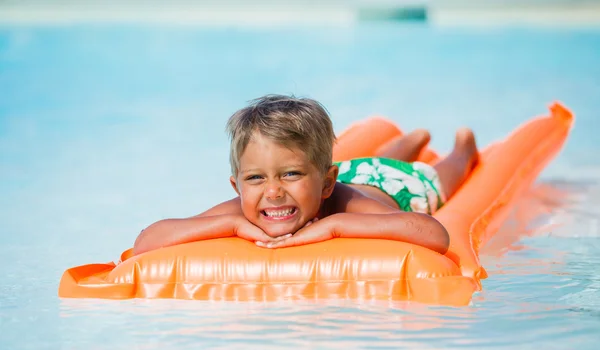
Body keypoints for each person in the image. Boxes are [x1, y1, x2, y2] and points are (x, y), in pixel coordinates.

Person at [133, 95, 479, 256]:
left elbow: (433, 233)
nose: (273, 192)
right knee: (376, 161)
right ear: (236, 185)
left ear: (326, 183)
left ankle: (464, 147)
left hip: (396, 188)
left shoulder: (347, 205)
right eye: (255, 179)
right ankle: (413, 139)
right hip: (356, 171)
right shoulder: (243, 209)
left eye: (290, 174)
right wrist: (233, 225)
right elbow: (147, 240)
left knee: (439, 177)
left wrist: (334, 225)